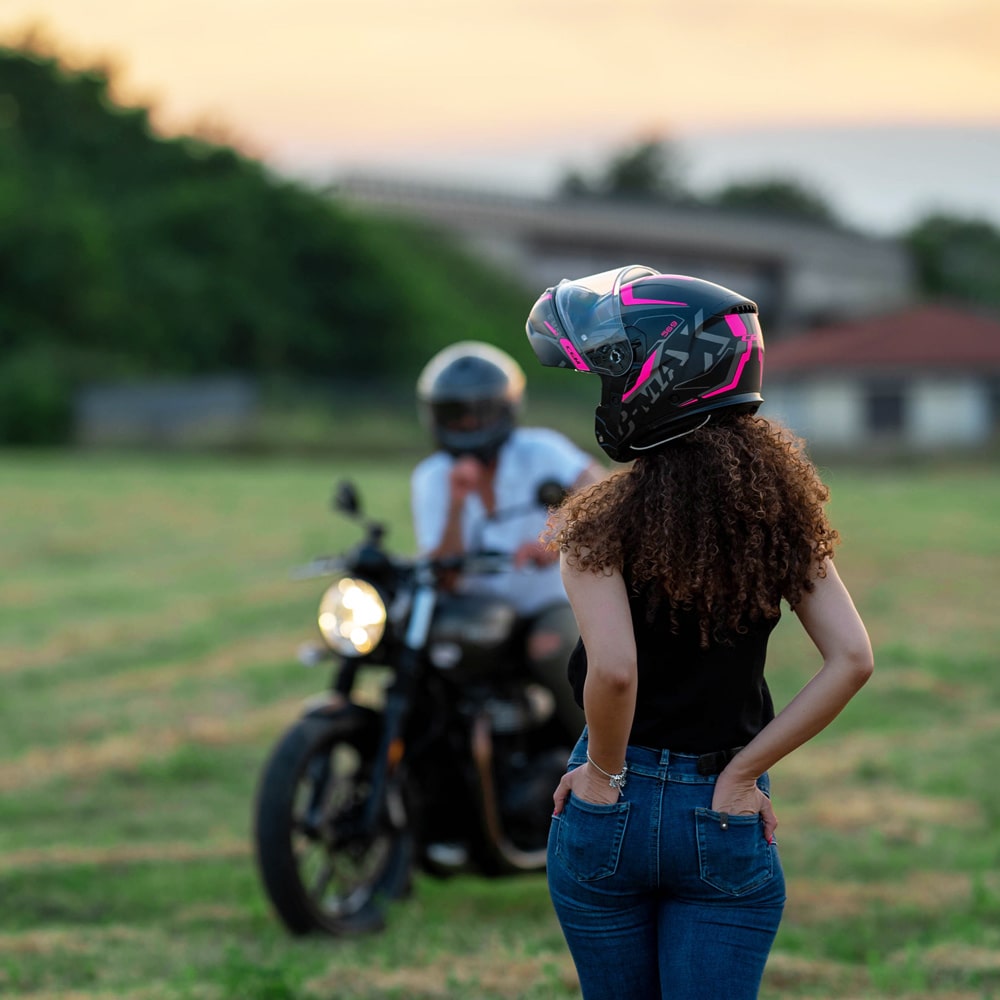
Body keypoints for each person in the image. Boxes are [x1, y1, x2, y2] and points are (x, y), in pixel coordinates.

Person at [524, 265, 874, 1000]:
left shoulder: (597, 526)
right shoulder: (781, 521)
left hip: (610, 793)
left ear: (653, 384)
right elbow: (851, 659)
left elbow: (615, 671)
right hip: (722, 803)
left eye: (611, 376)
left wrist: (604, 775)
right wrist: (744, 774)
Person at [411, 340, 605, 738]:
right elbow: (444, 572)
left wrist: (555, 536)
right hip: (478, 608)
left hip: (548, 602)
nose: (466, 424)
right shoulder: (432, 477)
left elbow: (599, 489)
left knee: (553, 648)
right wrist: (456, 503)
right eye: (454, 415)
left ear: (502, 410)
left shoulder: (541, 450)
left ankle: (601, 755)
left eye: (476, 413)